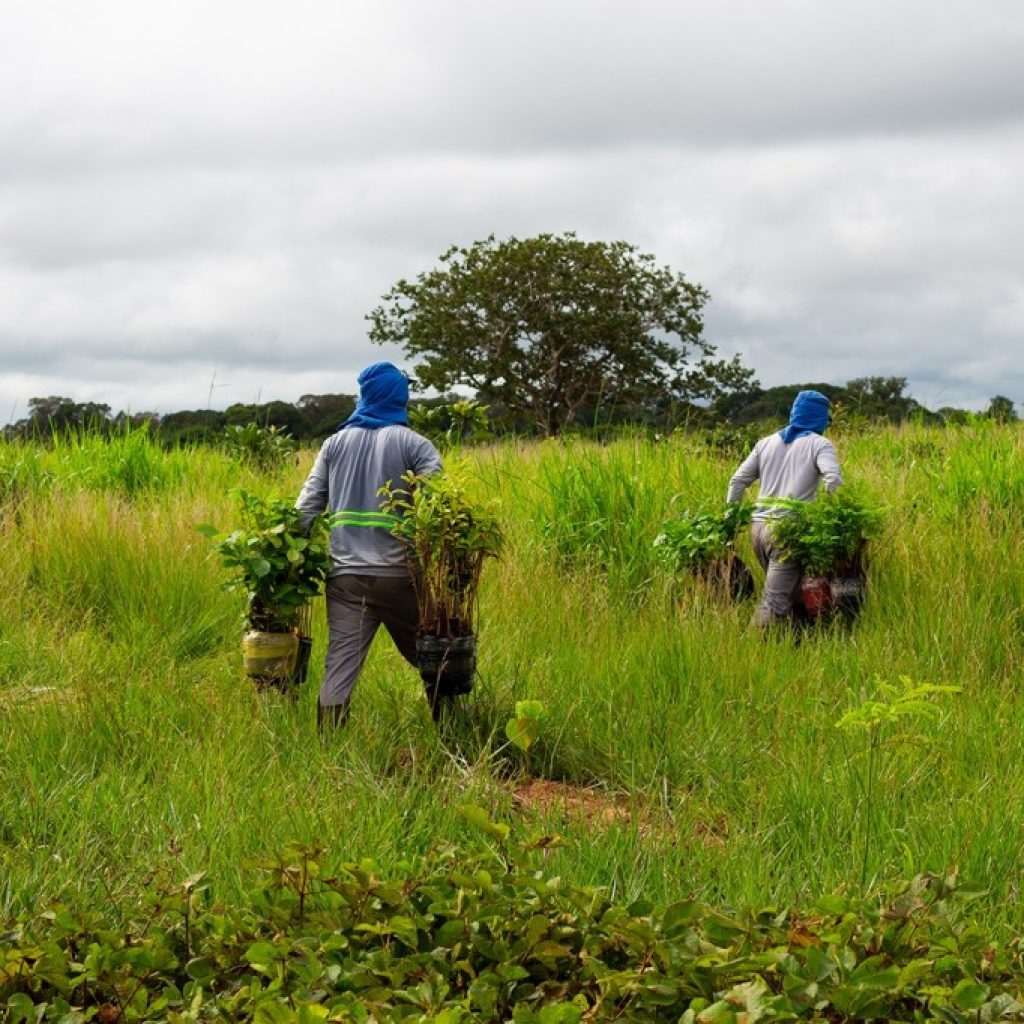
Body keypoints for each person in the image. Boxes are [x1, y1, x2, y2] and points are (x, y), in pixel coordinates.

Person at [296, 361, 442, 728]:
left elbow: (304, 511)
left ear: (365, 395)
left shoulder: (333, 445)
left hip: (344, 579)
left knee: (340, 663)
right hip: (401, 577)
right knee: (433, 657)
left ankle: (328, 749)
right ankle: (451, 732)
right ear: (400, 397)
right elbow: (439, 508)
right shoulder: (416, 445)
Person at [726, 389, 843, 627]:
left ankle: (798, 644)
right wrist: (832, 519)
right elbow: (834, 480)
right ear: (820, 418)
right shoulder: (819, 444)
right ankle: (752, 650)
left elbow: (737, 481)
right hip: (787, 533)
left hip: (758, 532)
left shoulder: (765, 443)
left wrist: (730, 521)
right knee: (774, 601)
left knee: (791, 594)